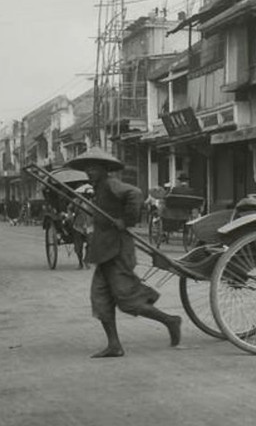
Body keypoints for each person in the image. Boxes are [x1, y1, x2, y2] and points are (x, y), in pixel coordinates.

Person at [66, 147, 182, 358]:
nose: (90, 172)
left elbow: (135, 194)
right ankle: (114, 345)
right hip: (105, 251)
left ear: (104, 169)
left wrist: (126, 220)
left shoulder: (111, 184)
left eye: (95, 168)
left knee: (128, 299)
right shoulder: (99, 187)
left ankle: (170, 320)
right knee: (100, 299)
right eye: (88, 169)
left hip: (118, 250)